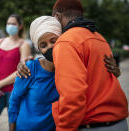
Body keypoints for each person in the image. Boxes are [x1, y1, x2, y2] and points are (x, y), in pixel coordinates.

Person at [51, 0, 128, 130]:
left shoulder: (66, 41)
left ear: (57, 17)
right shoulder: (99, 38)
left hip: (92, 124)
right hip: (119, 123)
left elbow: (72, 96)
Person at [9, 16, 61, 131]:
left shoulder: (68, 70)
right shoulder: (29, 68)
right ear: (38, 48)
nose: (50, 47)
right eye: (43, 45)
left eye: (53, 41)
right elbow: (14, 101)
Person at [0, 14, 31, 131]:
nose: (10, 26)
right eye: (8, 23)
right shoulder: (0, 42)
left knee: (13, 126)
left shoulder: (24, 45)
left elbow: (21, 71)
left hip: (14, 91)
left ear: (20, 26)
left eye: (13, 24)